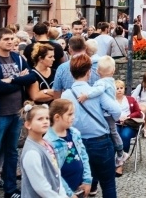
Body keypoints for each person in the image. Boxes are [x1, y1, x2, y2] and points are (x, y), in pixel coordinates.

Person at [0, 27, 34, 198]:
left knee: (11, 152)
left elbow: (31, 77)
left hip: (17, 113)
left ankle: (10, 189)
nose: (10, 42)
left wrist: (11, 79)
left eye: (12, 39)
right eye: (6, 39)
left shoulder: (17, 57)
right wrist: (19, 80)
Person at [61, 55, 121, 198]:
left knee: (78, 185)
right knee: (108, 184)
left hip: (76, 143)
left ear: (71, 73)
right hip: (100, 142)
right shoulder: (96, 92)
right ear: (89, 72)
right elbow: (117, 110)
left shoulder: (66, 94)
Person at [75, 56, 129, 173]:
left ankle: (121, 154)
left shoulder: (101, 82)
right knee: (113, 133)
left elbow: (98, 91)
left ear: (97, 71)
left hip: (106, 113)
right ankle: (120, 153)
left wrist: (86, 95)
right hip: (110, 112)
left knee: (112, 134)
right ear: (113, 70)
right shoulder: (111, 81)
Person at [18, 103, 67, 198]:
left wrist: (63, 194)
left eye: (47, 118)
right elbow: (41, 187)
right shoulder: (32, 153)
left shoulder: (48, 143)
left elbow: (57, 172)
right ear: (28, 125)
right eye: (40, 119)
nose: (45, 122)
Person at [45, 99, 92, 197]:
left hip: (78, 185)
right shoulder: (49, 141)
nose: (73, 117)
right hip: (61, 191)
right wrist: (68, 193)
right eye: (69, 114)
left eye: (73, 114)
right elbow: (53, 172)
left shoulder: (75, 133)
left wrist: (87, 180)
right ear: (57, 117)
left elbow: (84, 156)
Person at [113, 80, 141, 160]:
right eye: (117, 88)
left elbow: (138, 112)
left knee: (125, 135)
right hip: (116, 123)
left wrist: (128, 116)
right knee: (115, 135)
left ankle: (122, 157)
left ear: (124, 89)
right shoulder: (111, 101)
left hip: (129, 124)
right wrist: (118, 119)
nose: (119, 90)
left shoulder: (131, 99)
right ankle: (113, 156)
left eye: (121, 88)